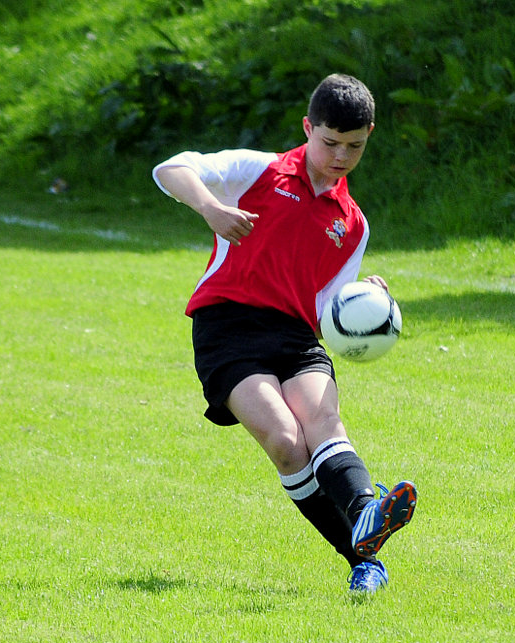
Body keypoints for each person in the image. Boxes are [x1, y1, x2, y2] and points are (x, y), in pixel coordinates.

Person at [152, 73, 415, 596]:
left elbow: (327, 308)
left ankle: (368, 513)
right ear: (307, 128)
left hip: (295, 336)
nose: (341, 155)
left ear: (369, 136)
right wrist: (210, 207)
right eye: (330, 142)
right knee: (285, 440)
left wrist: (364, 299)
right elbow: (170, 168)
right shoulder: (261, 170)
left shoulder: (352, 223)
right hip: (227, 328)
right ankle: (360, 555)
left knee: (321, 418)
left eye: (355, 146)